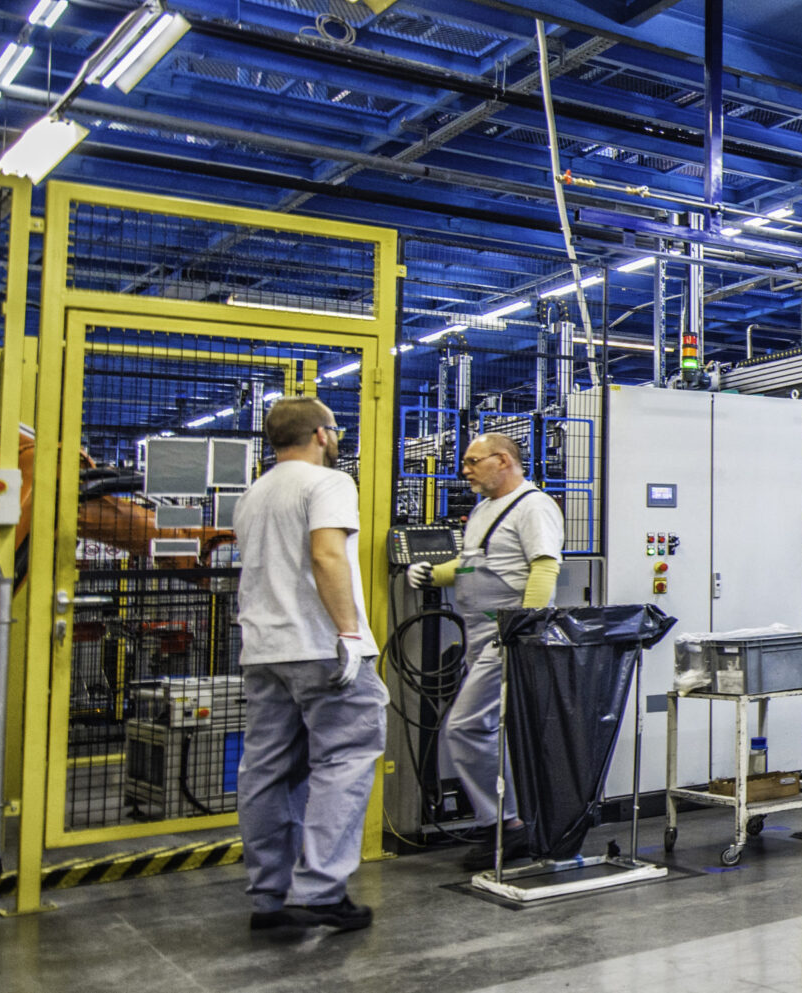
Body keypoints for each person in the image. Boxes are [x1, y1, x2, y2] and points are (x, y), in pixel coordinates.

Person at [234, 396, 384, 933]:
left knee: (266, 771)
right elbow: (326, 555)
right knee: (345, 757)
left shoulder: (254, 493)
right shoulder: (329, 483)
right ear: (322, 435)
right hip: (321, 647)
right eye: (336, 430)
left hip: (264, 652)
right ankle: (321, 888)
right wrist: (348, 632)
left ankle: (270, 897)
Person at [407, 432, 565, 870]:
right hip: (480, 634)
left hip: (508, 635)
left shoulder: (533, 507)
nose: (465, 469)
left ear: (502, 460)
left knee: (464, 727)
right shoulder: (483, 510)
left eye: (473, 460)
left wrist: (524, 628)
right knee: (487, 730)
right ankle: (508, 820)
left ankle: (507, 824)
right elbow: (474, 563)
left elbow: (545, 566)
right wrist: (433, 575)